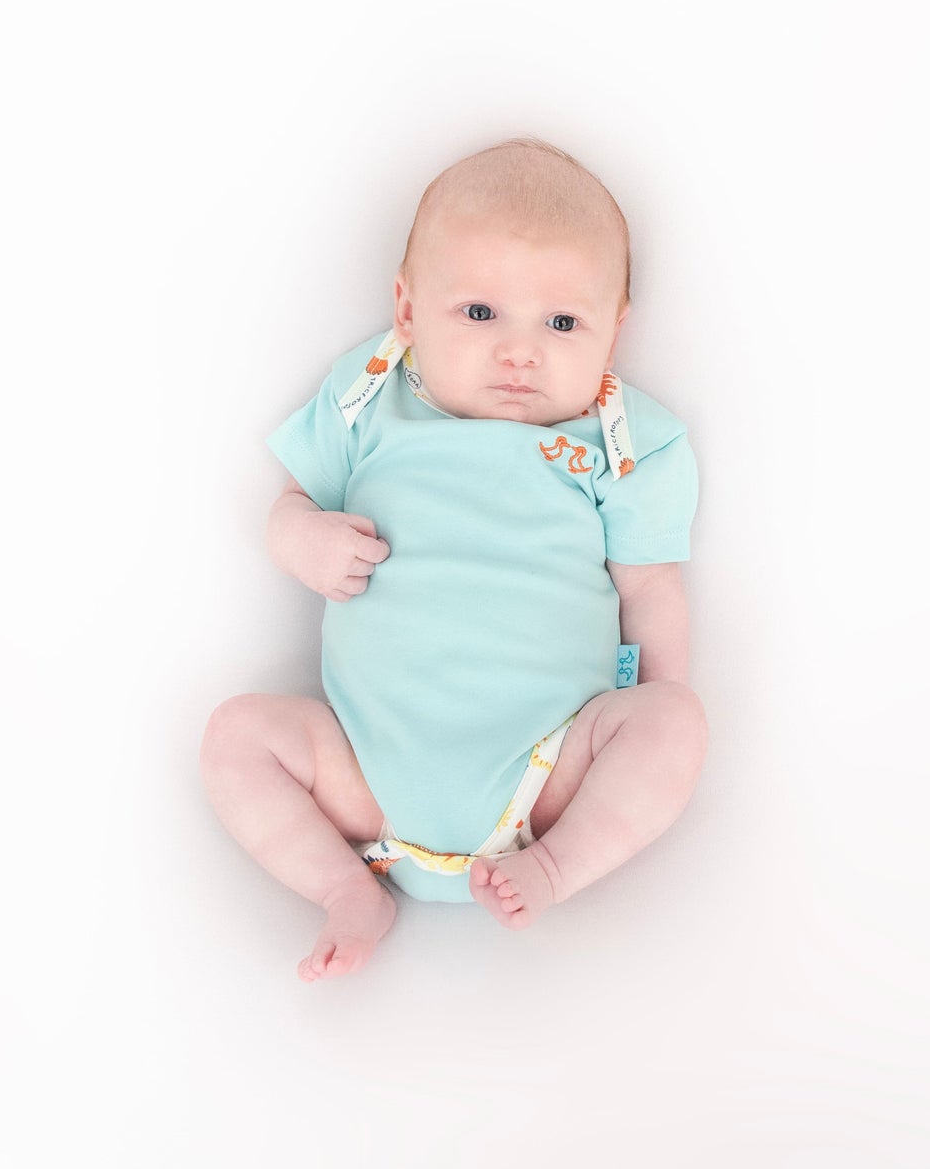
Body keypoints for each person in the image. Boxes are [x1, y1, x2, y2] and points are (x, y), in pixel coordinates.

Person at [199, 136, 707, 983]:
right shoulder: (371, 396)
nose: (520, 351)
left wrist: (641, 717)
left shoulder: (625, 444)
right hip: (361, 777)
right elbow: (288, 504)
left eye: (563, 323)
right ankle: (344, 889)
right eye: (479, 313)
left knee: (678, 722)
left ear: (614, 331)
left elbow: (650, 590)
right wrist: (302, 540)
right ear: (407, 310)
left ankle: (555, 868)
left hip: (546, 780)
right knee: (234, 737)